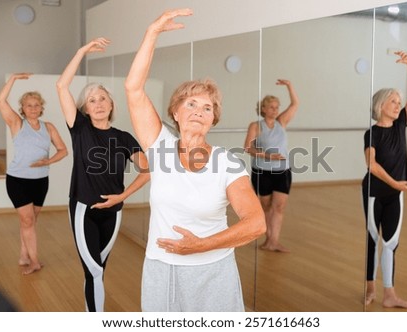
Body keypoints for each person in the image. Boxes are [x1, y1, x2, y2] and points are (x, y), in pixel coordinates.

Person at [124, 8, 265, 312]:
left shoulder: (227, 164)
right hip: (162, 270)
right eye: (191, 104)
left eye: (207, 108)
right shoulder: (159, 146)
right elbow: (133, 89)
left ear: (213, 119)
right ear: (175, 112)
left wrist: (201, 246)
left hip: (214, 272)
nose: (198, 112)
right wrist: (152, 32)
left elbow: (256, 223)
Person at [56, 38, 150, 312]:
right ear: (85, 108)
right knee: (95, 271)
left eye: (102, 98)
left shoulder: (123, 137)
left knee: (98, 270)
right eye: (91, 100)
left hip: (113, 212)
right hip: (84, 207)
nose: (97, 104)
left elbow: (148, 170)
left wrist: (122, 196)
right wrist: (81, 51)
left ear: (111, 104)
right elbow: (62, 86)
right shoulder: (80, 128)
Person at [362, 51, 407, 309]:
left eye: (399, 102)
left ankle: (389, 294)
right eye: (394, 102)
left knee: (391, 243)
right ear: (380, 106)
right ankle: (369, 287)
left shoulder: (400, 125)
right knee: (373, 239)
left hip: (396, 192)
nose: (399, 105)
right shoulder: (372, 133)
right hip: (374, 191)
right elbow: (371, 165)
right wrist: (395, 183)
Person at [0, 73, 68, 275]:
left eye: (36, 105)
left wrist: (48, 161)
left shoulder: (49, 127)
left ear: (41, 107)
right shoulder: (17, 123)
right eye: (29, 105)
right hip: (18, 180)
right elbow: (1, 100)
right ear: (22, 108)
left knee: (30, 221)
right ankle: (34, 261)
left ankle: (23, 254)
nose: (33, 108)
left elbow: (63, 150)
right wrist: (13, 79)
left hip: (40, 181)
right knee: (27, 221)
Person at [244, 80, 299, 253]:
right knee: (266, 206)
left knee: (279, 207)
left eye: (277, 107)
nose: (275, 110)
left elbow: (295, 104)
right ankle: (268, 240)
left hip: (283, 171)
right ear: (264, 109)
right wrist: (268, 155)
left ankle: (274, 241)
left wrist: (289, 85)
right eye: (272, 107)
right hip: (262, 171)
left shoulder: (282, 122)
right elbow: (248, 147)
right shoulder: (256, 126)